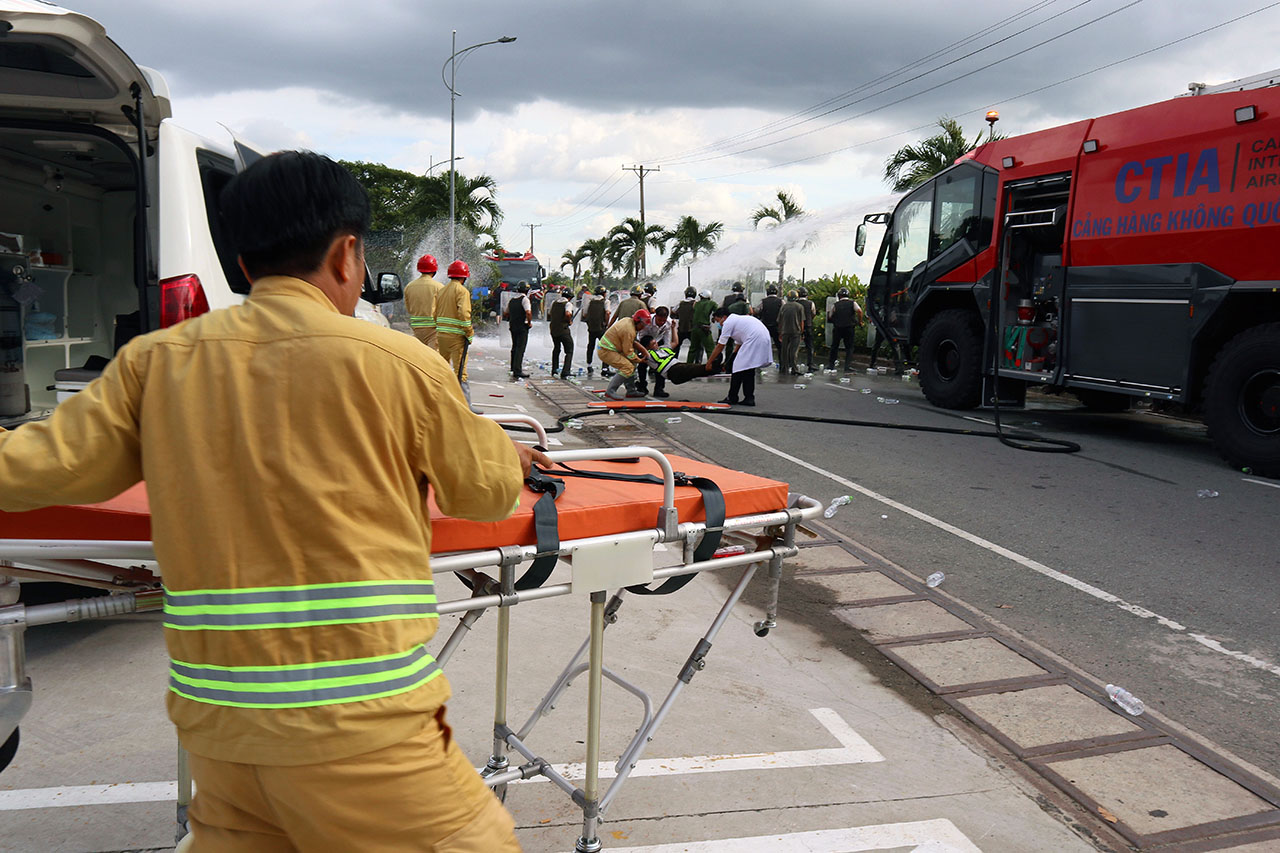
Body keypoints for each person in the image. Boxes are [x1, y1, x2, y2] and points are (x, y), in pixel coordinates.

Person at [0, 151, 542, 851]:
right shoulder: (401, 364)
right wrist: (507, 454)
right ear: (346, 254)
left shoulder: (154, 363)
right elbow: (484, 493)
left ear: (243, 261)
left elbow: (33, 468)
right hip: (357, 726)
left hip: (220, 730)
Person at [710, 306, 771, 407]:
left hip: (754, 339)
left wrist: (709, 362)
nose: (719, 324)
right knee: (748, 369)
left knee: (738, 369)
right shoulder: (738, 321)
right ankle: (749, 398)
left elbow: (720, 345)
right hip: (762, 338)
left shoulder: (728, 322)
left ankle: (732, 397)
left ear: (724, 317)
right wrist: (731, 359)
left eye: (718, 321)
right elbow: (738, 345)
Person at [435, 259, 474, 394]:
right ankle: (463, 402)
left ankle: (442, 397)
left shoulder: (442, 290)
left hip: (441, 336)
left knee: (443, 368)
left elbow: (435, 313)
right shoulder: (462, 291)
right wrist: (469, 332)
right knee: (460, 372)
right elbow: (464, 314)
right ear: (464, 277)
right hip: (456, 337)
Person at [598, 307, 652, 399]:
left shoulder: (628, 320)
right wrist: (639, 360)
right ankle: (610, 391)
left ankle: (631, 390)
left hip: (608, 348)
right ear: (638, 321)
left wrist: (643, 353)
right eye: (643, 325)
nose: (643, 328)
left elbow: (633, 343)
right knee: (627, 367)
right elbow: (628, 352)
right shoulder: (629, 331)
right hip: (606, 350)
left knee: (631, 364)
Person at [404, 253, 441, 350]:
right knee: (433, 356)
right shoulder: (439, 287)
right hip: (434, 330)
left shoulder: (409, 286)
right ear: (434, 269)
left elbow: (409, 309)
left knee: (419, 356)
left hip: (416, 329)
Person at [637, 305, 675, 398]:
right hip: (646, 340)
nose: (661, 322)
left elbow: (667, 339)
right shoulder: (647, 321)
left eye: (663, 320)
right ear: (655, 316)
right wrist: (646, 350)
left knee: (661, 364)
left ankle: (659, 389)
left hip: (658, 340)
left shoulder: (669, 322)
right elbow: (642, 336)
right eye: (659, 320)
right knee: (643, 363)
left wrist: (665, 351)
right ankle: (642, 386)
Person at [826, 287, 863, 373]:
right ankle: (847, 367)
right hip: (849, 328)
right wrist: (860, 321)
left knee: (834, 347)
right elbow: (860, 311)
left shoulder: (835, 305)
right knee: (849, 348)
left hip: (838, 328)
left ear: (839, 296)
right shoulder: (852, 303)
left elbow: (830, 316)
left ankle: (831, 365)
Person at [503, 281, 533, 379]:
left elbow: (506, 312)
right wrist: (529, 322)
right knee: (520, 348)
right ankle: (518, 370)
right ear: (527, 290)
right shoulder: (525, 299)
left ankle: (513, 367)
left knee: (514, 347)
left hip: (513, 326)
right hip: (522, 326)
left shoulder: (512, 300)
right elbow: (528, 312)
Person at [548, 284, 575, 379]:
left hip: (553, 329)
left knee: (556, 349)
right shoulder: (568, 304)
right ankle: (566, 371)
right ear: (570, 297)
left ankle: (554, 369)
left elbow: (550, 313)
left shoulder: (554, 302)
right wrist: (569, 321)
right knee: (569, 350)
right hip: (563, 329)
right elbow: (568, 314)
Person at [686, 289, 717, 364]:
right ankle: (711, 365)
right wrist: (713, 318)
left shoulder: (696, 304)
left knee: (692, 349)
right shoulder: (712, 303)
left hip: (694, 329)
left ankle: (688, 365)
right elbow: (717, 312)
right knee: (710, 348)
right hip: (704, 329)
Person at [778, 290, 805, 376]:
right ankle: (794, 369)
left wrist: (780, 333)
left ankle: (784, 368)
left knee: (784, 351)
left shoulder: (783, 307)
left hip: (785, 331)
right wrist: (802, 332)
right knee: (794, 351)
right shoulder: (800, 307)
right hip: (796, 332)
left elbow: (780, 321)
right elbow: (802, 321)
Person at [583, 284, 608, 377]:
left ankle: (589, 365)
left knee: (591, 346)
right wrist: (606, 323)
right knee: (606, 347)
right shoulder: (605, 301)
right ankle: (605, 368)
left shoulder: (590, 301)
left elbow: (585, 314)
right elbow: (608, 313)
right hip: (601, 328)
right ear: (604, 293)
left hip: (591, 328)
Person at [757, 284, 784, 362]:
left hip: (765, 327)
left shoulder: (763, 301)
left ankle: (759, 363)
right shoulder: (781, 301)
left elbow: (757, 310)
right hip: (777, 327)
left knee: (762, 346)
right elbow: (784, 311)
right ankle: (782, 364)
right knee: (780, 346)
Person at [796, 286, 817, 370]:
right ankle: (810, 364)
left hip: (796, 326)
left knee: (794, 346)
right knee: (809, 346)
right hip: (808, 326)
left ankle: (793, 364)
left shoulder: (795, 303)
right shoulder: (810, 303)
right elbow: (813, 313)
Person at [674, 286, 697, 359]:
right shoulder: (696, 303)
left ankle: (673, 360)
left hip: (681, 328)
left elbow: (673, 311)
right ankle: (697, 362)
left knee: (676, 346)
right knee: (697, 346)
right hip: (692, 329)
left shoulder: (680, 303)